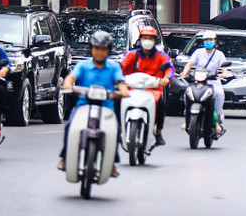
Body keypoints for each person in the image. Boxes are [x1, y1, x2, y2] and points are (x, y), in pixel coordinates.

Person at [58, 30, 129, 175]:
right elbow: (71, 78)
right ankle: (65, 158)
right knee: (70, 127)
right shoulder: (83, 65)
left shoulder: (114, 66)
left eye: (103, 49)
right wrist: (67, 84)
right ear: (92, 49)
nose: (100, 52)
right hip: (83, 106)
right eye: (97, 48)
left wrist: (123, 91)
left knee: (114, 131)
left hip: (106, 108)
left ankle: (112, 163)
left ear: (108, 50)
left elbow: (120, 82)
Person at [120, 26, 173, 145]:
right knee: (117, 100)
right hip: (132, 88)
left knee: (161, 104)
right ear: (140, 39)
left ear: (155, 40)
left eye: (150, 38)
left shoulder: (161, 56)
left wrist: (166, 78)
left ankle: (158, 132)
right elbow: (121, 67)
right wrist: (118, 79)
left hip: (153, 90)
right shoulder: (132, 55)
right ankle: (119, 128)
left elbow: (170, 69)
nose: (147, 40)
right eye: (145, 38)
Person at [180, 30, 229, 134]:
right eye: (206, 40)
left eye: (210, 39)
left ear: (215, 41)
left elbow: (224, 68)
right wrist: (184, 72)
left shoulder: (219, 54)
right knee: (188, 94)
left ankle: (218, 119)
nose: (208, 41)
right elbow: (189, 64)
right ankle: (187, 119)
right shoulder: (198, 52)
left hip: (213, 81)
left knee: (219, 94)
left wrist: (223, 74)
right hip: (199, 80)